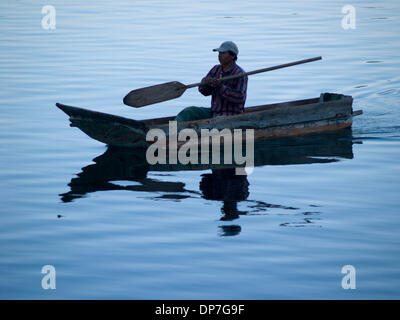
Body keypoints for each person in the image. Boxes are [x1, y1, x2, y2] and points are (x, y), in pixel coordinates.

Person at [175, 41, 248, 121]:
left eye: (223, 53)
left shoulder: (240, 74)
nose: (219, 56)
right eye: (219, 53)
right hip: (214, 112)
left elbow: (239, 98)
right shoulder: (216, 69)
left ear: (233, 56)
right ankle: (172, 129)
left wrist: (220, 87)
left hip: (231, 115)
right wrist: (205, 83)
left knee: (217, 121)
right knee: (189, 112)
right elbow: (204, 91)